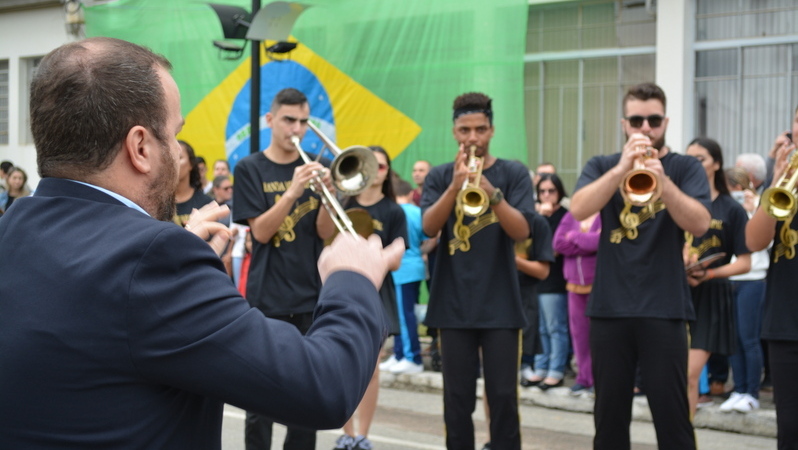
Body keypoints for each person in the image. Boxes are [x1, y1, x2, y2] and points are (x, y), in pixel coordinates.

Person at [0, 36, 404, 450]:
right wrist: (352, 279)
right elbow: (323, 387)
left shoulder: (13, 229)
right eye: (174, 135)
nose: (178, 153)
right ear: (140, 147)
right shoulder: (153, 262)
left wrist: (174, 263)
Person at [569, 82, 711, 450]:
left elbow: (699, 223)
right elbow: (579, 208)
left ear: (664, 121)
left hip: (664, 309)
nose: (645, 128)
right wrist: (621, 169)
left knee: (673, 419)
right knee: (609, 420)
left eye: (653, 120)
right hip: (609, 309)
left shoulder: (684, 167)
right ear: (624, 123)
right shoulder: (602, 165)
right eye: (636, 120)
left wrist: (662, 180)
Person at [421, 92, 535, 450]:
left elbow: (522, 231)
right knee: (456, 401)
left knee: (503, 398)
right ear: (454, 131)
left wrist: (492, 193)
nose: (473, 138)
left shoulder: (513, 172)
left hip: (501, 304)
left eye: (480, 129)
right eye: (465, 129)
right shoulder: (440, 176)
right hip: (453, 305)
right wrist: (456, 186)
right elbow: (428, 227)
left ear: (492, 130)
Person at [232, 87, 336, 450]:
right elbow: (260, 231)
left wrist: (329, 196)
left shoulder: (313, 169)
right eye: (289, 120)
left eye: (304, 121)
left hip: (309, 296)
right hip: (268, 297)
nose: (297, 129)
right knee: (261, 399)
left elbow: (324, 233)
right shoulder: (250, 168)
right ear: (270, 120)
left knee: (306, 399)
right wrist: (292, 192)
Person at [336, 145, 407, 450]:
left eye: (382, 166)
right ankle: (346, 433)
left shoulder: (393, 211)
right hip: (342, 289)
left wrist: (374, 258)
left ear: (387, 172)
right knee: (340, 364)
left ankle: (363, 435)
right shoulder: (343, 203)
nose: (377, 171)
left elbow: (399, 257)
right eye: (373, 164)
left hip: (377, 292)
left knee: (371, 368)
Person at [682, 137, 751, 417]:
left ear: (717, 164)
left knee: (689, 375)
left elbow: (744, 263)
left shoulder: (730, 208)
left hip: (710, 295)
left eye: (701, 158)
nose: (694, 164)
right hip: (678, 291)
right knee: (673, 378)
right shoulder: (679, 200)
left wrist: (708, 273)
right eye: (689, 158)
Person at [746, 109, 798, 449]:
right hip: (786, 321)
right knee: (790, 429)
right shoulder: (785, 181)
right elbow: (754, 242)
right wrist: (776, 180)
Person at [721, 166, 769, 413]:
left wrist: (751, 211)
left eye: (736, 190)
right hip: (731, 277)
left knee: (748, 338)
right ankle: (738, 389)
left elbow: (765, 241)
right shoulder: (727, 207)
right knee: (733, 339)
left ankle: (752, 392)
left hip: (754, 279)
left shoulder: (762, 204)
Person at [526, 173, 570, 390]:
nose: (546, 195)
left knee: (556, 327)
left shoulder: (565, 215)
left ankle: (556, 370)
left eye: (551, 190)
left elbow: (554, 247)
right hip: (536, 277)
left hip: (556, 279)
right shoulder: (535, 215)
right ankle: (541, 367)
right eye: (542, 191)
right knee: (541, 327)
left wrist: (544, 218)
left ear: (559, 192)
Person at [553, 208, 601, 397]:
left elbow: (600, 242)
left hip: (597, 286)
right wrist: (586, 242)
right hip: (573, 286)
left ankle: (599, 379)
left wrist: (573, 236)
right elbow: (557, 243)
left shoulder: (605, 214)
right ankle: (584, 378)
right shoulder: (571, 215)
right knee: (579, 335)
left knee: (599, 335)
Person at [381, 178, 426, 375]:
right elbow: (430, 237)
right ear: (409, 193)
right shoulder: (417, 212)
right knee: (403, 314)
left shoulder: (393, 211)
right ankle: (399, 354)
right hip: (414, 268)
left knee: (402, 315)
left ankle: (412, 358)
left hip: (402, 270)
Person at [173, 141, 214, 226]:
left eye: (179, 157)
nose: (173, 162)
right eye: (170, 158)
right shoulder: (157, 205)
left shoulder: (206, 203)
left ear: (191, 164)